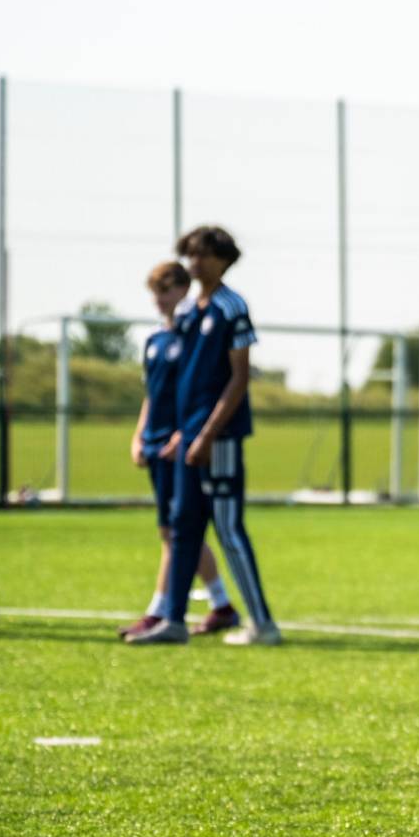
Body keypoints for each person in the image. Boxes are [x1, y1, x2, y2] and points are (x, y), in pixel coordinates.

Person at [127, 227, 279, 646]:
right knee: (182, 527)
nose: (196, 263)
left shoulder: (232, 307)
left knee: (228, 529)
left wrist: (208, 434)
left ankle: (262, 624)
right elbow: (183, 384)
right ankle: (172, 622)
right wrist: (181, 433)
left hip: (219, 439)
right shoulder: (191, 312)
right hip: (188, 439)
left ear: (224, 259)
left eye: (205, 255)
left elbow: (237, 378)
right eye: (191, 255)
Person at [117, 261, 239, 640]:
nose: (159, 300)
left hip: (181, 447)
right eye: (155, 292)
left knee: (176, 529)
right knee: (175, 531)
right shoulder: (155, 341)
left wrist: (182, 436)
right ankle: (220, 605)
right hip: (155, 446)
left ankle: (160, 611)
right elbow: (151, 396)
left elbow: (197, 390)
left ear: (183, 290)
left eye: (165, 291)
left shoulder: (191, 337)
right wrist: (139, 436)